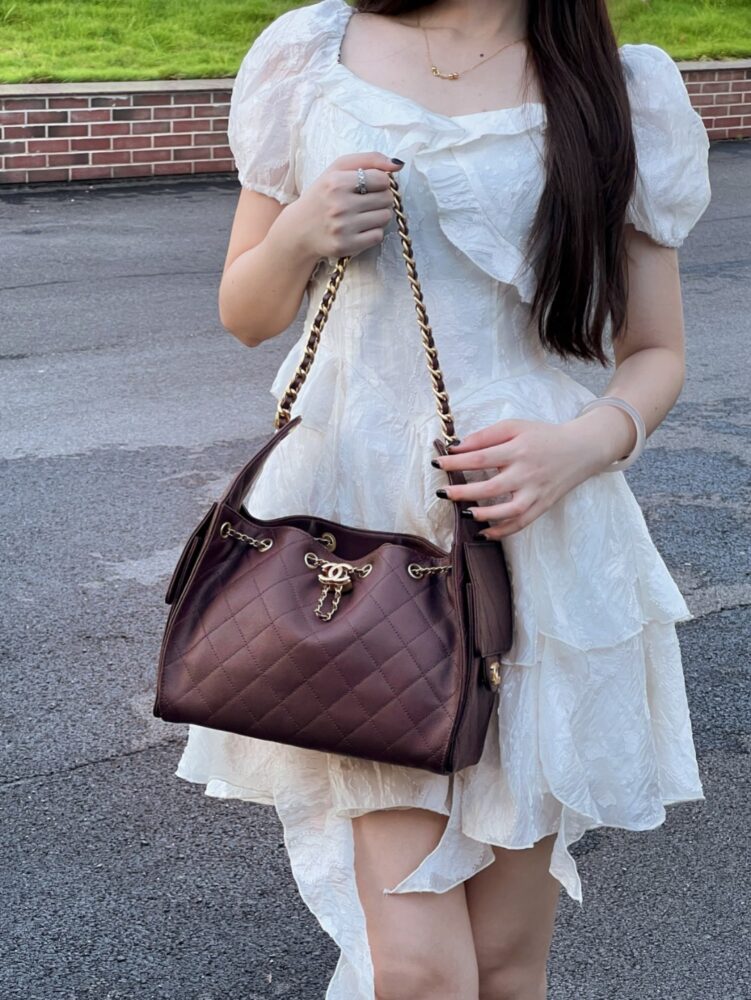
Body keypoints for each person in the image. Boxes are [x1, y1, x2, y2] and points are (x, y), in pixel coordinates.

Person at [175, 1, 711, 996]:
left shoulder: (615, 84)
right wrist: (297, 235)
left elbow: (656, 351)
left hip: (536, 537)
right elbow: (245, 311)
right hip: (362, 541)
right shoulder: (312, 52)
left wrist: (583, 445)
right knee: (421, 969)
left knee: (505, 964)